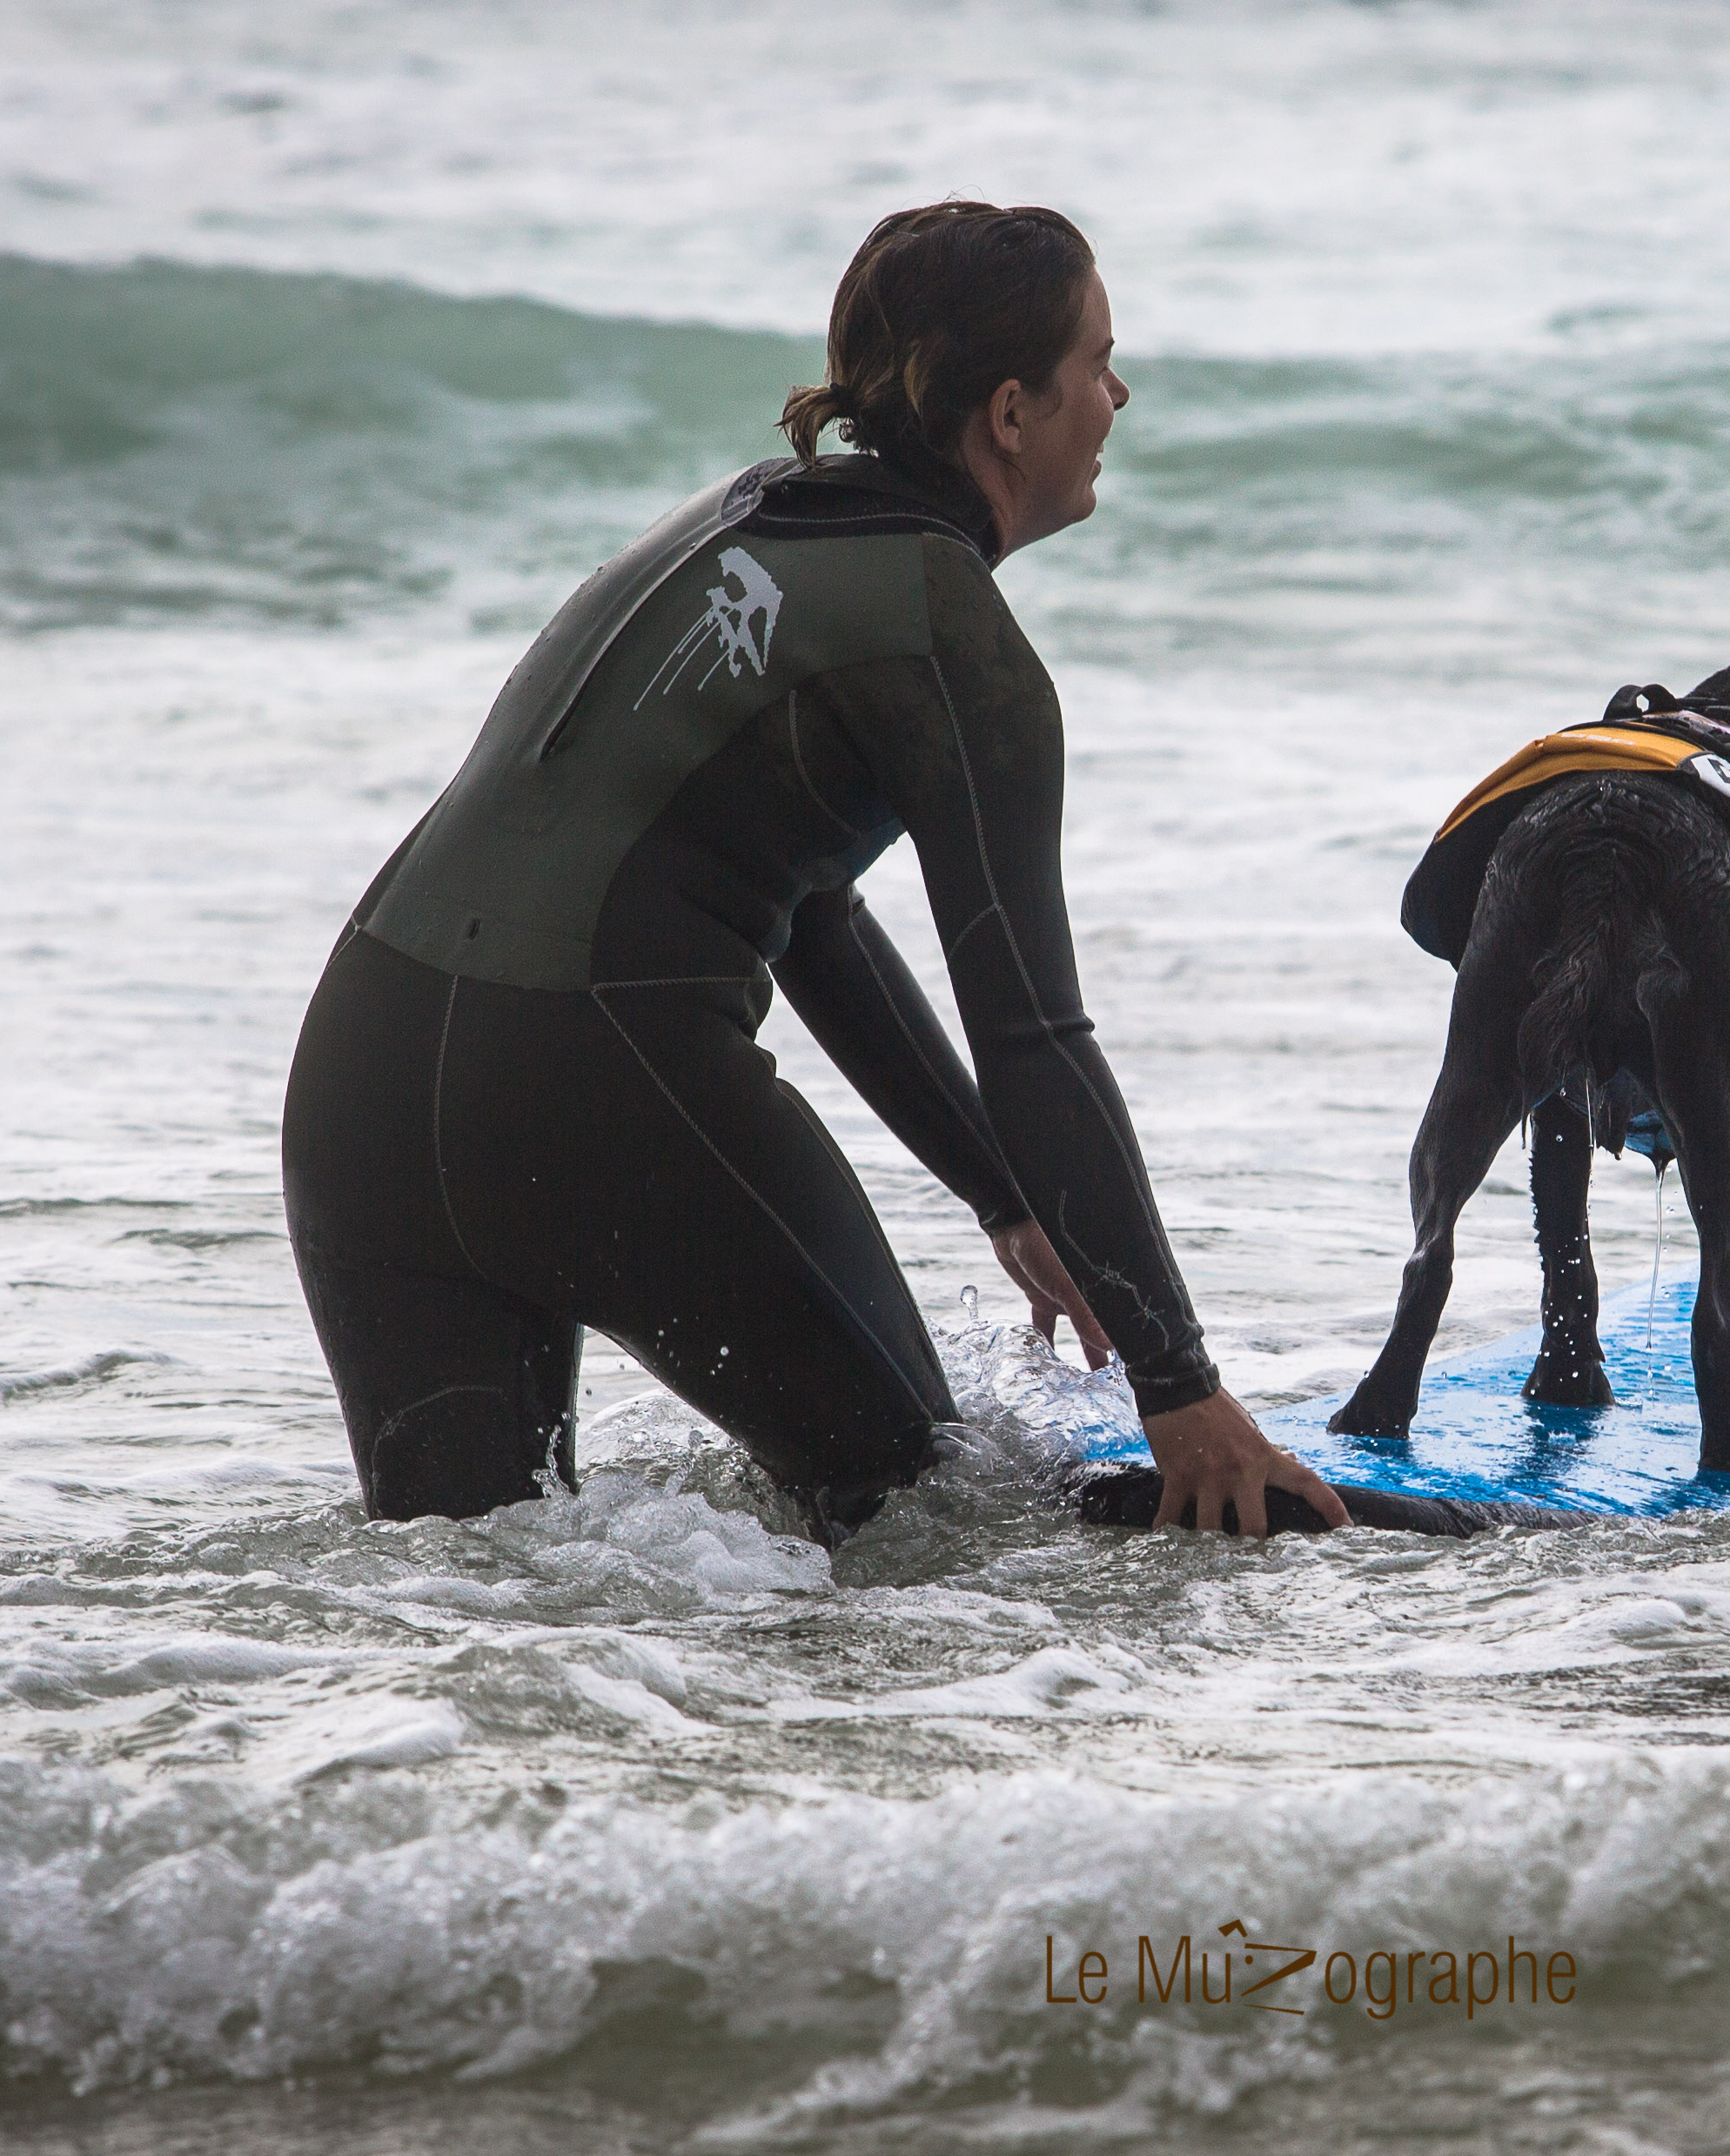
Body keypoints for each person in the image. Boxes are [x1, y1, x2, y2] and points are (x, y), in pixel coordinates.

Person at [280, 201, 1346, 1544]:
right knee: (925, 1521)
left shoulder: (737, 520)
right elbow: (1034, 1034)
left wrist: (1003, 1194)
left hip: (360, 1083)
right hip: (589, 1081)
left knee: (469, 1585)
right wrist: (1178, 1389)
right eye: (1097, 363)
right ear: (1010, 415)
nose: (1116, 397)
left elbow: (809, 915)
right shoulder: (946, 634)